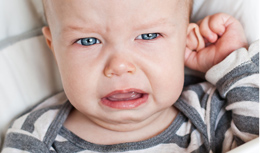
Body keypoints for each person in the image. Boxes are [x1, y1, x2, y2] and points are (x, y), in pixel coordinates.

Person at [2, 0, 258, 152]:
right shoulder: (34, 136)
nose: (120, 66)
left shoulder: (208, 114)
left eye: (148, 36)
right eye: (88, 40)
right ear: (54, 48)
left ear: (186, 42)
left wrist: (231, 65)